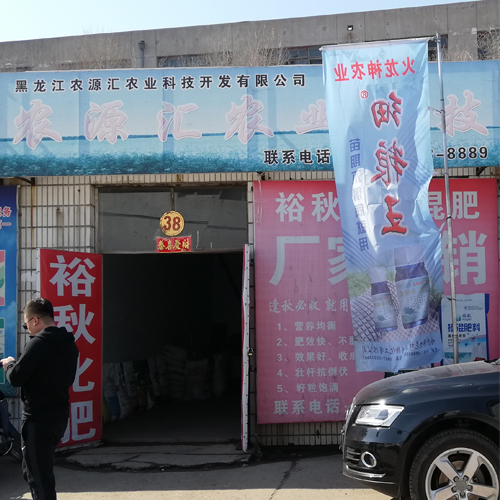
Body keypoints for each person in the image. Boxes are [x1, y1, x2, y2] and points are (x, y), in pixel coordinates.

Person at [1, 298, 79, 500]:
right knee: (40, 472)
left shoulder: (38, 344)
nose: (27, 328)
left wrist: (10, 364)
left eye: (26, 324)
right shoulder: (68, 342)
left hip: (38, 419)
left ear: (35, 320)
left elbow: (16, 377)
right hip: (59, 416)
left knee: (38, 478)